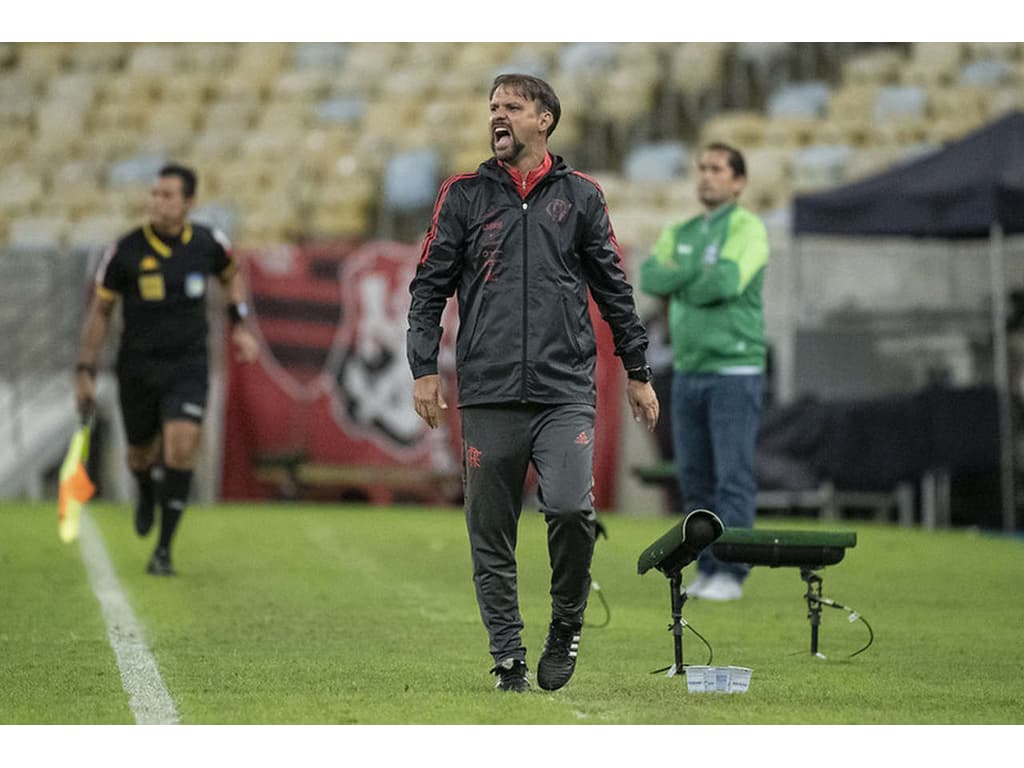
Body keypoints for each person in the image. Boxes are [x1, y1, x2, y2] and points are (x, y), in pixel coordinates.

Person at [407, 73, 659, 693]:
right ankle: (508, 658)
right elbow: (428, 290)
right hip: (488, 393)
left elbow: (614, 290)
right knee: (489, 532)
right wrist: (422, 370)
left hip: (564, 392)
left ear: (544, 119)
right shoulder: (462, 195)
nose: (498, 116)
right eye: (493, 107)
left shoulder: (581, 197)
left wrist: (638, 371)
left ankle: (565, 625)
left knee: (571, 509)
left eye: (512, 107)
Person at [74, 162, 259, 576]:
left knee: (181, 446)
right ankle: (143, 488)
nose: (158, 202)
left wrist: (240, 324)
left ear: (189, 202)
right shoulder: (125, 251)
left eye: (168, 195)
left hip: (188, 365)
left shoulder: (209, 243)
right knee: (140, 453)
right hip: (137, 367)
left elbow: (233, 277)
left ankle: (163, 550)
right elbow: (101, 311)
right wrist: (85, 368)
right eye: (155, 194)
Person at [639, 142, 769, 602]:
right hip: (688, 368)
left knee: (731, 474)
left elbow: (727, 282)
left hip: (734, 369)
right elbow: (652, 276)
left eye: (717, 169)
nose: (706, 176)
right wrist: (699, 272)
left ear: (738, 181)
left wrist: (685, 277)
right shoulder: (683, 229)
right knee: (694, 476)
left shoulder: (749, 227)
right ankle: (706, 567)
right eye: (702, 168)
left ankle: (731, 574)